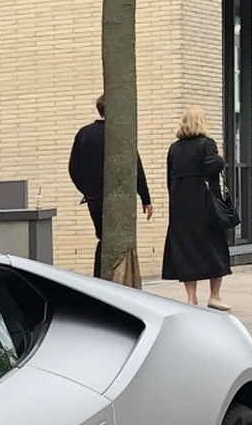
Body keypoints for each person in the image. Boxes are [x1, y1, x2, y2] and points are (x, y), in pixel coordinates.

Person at [67, 96, 152, 276]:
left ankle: (101, 276)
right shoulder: (120, 134)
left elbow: (74, 168)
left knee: (104, 236)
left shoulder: (85, 134)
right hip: (120, 194)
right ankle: (113, 276)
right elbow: (134, 165)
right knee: (118, 239)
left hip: (94, 196)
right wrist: (145, 197)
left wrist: (88, 190)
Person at [162, 108, 233, 307]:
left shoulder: (174, 148)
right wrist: (220, 157)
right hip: (204, 203)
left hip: (180, 205)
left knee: (186, 249)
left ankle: (191, 297)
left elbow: (170, 178)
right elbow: (212, 167)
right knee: (214, 246)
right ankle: (215, 296)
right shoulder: (206, 144)